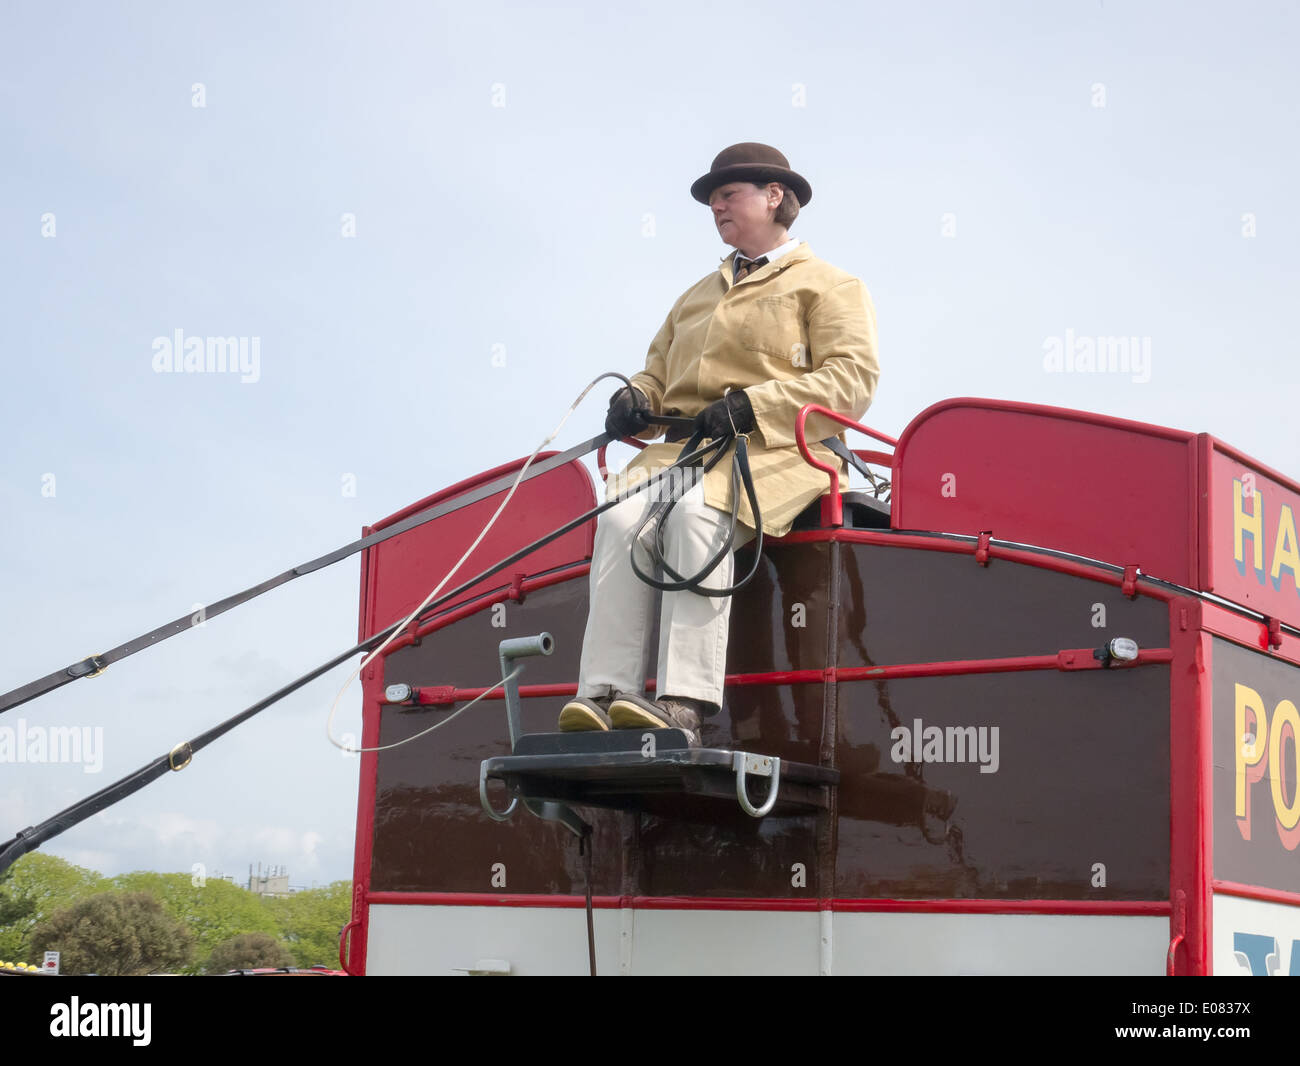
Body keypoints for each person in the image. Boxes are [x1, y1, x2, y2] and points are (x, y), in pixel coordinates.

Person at [557, 142, 880, 746]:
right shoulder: (696, 296)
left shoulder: (831, 285)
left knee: (696, 515)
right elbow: (658, 374)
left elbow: (851, 381)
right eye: (712, 200)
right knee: (620, 519)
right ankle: (603, 693)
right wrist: (636, 401)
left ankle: (684, 703)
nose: (716, 207)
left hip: (778, 450)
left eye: (727, 194)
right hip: (680, 451)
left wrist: (753, 405)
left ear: (774, 197)